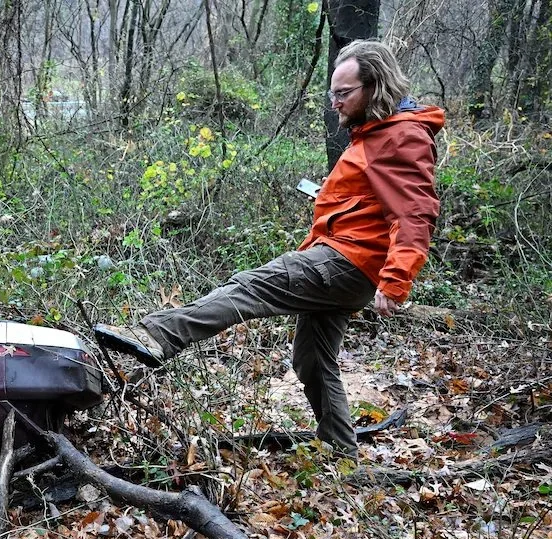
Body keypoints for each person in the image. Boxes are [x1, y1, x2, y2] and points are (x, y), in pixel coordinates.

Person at [94, 39, 444, 457]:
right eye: (332, 92)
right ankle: (341, 452)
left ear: (374, 86)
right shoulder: (375, 133)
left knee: (251, 287)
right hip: (345, 260)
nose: (335, 102)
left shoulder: (401, 136)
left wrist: (397, 278)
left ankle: (156, 334)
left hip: (347, 262)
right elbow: (366, 205)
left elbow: (416, 212)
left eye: (343, 93)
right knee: (313, 359)